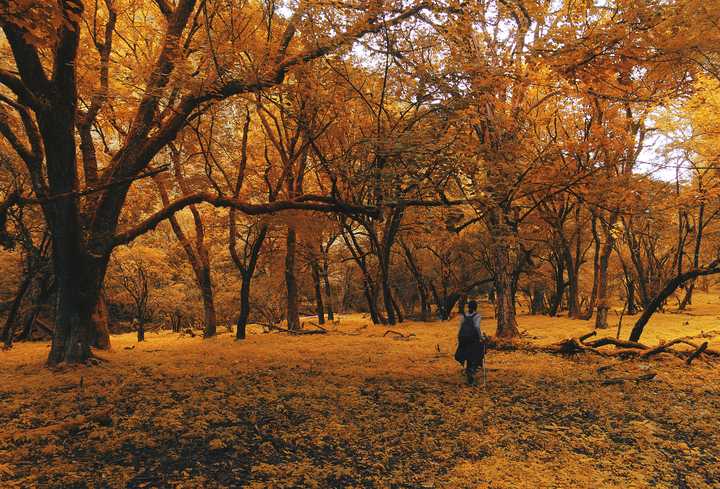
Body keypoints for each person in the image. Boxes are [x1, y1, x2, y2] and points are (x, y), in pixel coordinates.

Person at [454, 300, 485, 386]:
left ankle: (469, 374)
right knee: (477, 353)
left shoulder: (464, 315)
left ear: (468, 307)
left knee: (467, 355)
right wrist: (481, 337)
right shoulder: (477, 316)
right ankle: (472, 370)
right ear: (476, 307)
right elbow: (477, 326)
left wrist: (459, 338)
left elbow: (460, 327)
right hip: (473, 339)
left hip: (463, 339)